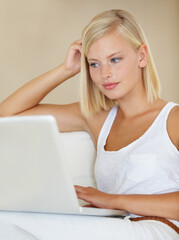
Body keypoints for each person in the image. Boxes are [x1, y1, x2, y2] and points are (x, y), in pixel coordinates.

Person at [0, 9, 178, 239]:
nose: (105, 73)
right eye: (94, 64)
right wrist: (66, 69)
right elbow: (7, 114)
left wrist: (112, 201)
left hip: (159, 230)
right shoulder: (96, 118)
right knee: (6, 219)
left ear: (141, 56)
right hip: (116, 225)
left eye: (115, 59)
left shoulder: (173, 120)